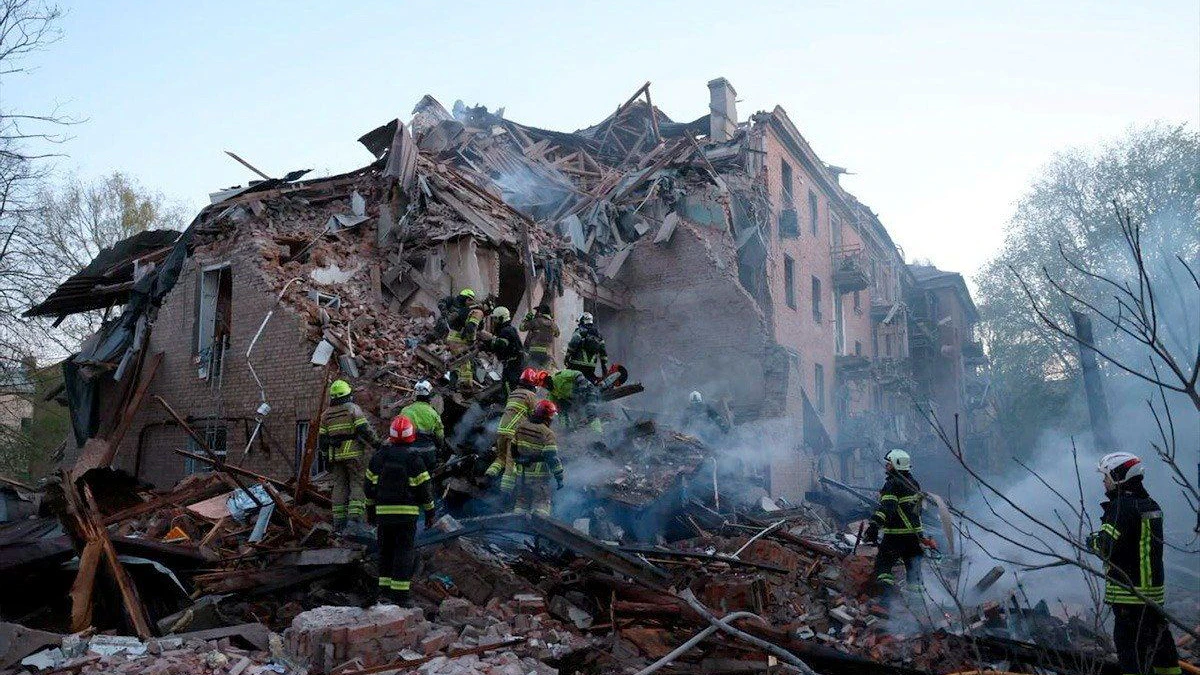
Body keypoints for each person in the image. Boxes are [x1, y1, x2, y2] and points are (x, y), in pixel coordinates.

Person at [1088, 452, 1179, 675]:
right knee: (1162, 652)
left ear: (1119, 476)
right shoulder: (1150, 505)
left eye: (1106, 476)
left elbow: (1106, 547)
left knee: (1131, 656)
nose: (1104, 482)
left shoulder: (1121, 507)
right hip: (1153, 596)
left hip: (1129, 596)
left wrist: (1092, 541)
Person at [364, 415, 436, 606]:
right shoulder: (414, 459)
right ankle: (401, 596)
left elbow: (368, 487)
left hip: (383, 514)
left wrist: (370, 511)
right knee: (404, 551)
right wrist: (430, 513)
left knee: (385, 550)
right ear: (411, 436)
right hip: (406, 515)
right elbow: (425, 489)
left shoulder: (379, 457)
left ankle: (384, 591)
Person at [318, 379, 380, 531]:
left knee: (339, 486)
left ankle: (339, 522)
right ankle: (355, 519)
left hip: (335, 456)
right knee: (357, 483)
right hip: (354, 454)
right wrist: (377, 444)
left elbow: (323, 440)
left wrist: (325, 457)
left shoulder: (325, 415)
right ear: (347, 394)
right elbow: (364, 429)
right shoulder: (352, 409)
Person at [864, 449, 925, 599]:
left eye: (888, 463)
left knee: (883, 566)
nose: (886, 466)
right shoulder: (914, 483)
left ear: (896, 465)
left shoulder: (893, 484)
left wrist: (874, 526)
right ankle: (918, 606)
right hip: (915, 536)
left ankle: (887, 602)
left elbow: (886, 508)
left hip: (896, 535)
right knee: (914, 572)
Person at [484, 368, 546, 502]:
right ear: (532, 384)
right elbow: (536, 415)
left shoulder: (513, 393)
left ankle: (489, 475)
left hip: (501, 429)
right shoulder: (530, 396)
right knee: (511, 463)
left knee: (501, 457)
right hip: (514, 433)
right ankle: (505, 494)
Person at [511, 400, 563, 517]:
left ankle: (517, 525)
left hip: (521, 476)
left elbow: (513, 449)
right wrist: (559, 476)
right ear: (547, 417)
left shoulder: (521, 427)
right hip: (539, 479)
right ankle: (539, 525)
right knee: (541, 505)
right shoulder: (547, 433)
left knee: (521, 504)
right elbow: (552, 457)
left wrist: (519, 459)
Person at [443, 288, 484, 390]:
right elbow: (470, 328)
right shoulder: (473, 312)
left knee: (455, 363)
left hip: (452, 339)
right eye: (470, 300)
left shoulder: (460, 310)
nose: (472, 302)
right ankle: (466, 388)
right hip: (459, 341)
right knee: (465, 364)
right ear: (466, 299)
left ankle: (452, 386)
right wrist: (472, 340)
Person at [400, 380, 449, 462]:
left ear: (415, 394)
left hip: (407, 451)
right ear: (429, 395)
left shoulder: (405, 411)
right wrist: (441, 447)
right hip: (427, 452)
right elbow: (440, 435)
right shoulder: (433, 413)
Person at [482, 306, 524, 393]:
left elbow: (501, 345)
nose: (494, 321)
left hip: (512, 364)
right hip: (515, 362)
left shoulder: (506, 331)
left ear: (501, 318)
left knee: (509, 385)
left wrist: (487, 344)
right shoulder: (509, 329)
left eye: (496, 319)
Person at [565, 312, 608, 383]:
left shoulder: (580, 331)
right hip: (591, 367)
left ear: (582, 321)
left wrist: (567, 357)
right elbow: (603, 354)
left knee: (569, 381)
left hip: (576, 365)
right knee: (589, 382)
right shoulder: (598, 335)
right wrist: (604, 370)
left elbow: (573, 343)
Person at [521, 303, 560, 369]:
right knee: (544, 372)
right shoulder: (553, 324)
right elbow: (557, 334)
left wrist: (526, 320)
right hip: (547, 353)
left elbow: (521, 328)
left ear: (540, 313)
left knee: (532, 370)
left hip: (534, 352)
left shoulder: (535, 321)